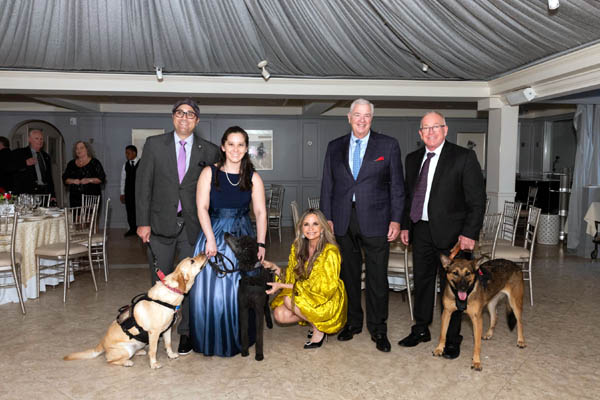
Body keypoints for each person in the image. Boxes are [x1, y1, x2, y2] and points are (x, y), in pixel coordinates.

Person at [397, 111, 486, 360]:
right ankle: (421, 329)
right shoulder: (412, 159)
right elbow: (409, 197)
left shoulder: (464, 157)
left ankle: (453, 340)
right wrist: (406, 225)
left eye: (436, 127)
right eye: (425, 128)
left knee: (458, 286)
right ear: (420, 134)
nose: (431, 132)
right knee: (422, 283)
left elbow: (477, 200)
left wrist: (469, 233)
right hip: (421, 230)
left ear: (445, 130)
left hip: (455, 236)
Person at [136, 98, 220, 355]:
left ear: (197, 120)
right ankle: (156, 329)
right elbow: (142, 186)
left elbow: (213, 193)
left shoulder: (210, 151)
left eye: (190, 114)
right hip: (159, 226)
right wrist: (142, 223)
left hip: (192, 227)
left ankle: (185, 333)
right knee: (160, 281)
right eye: (180, 113)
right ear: (173, 117)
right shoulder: (153, 145)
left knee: (189, 284)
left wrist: (211, 229)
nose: (185, 118)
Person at [320, 98, 405, 353]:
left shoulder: (388, 145)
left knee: (378, 279)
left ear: (372, 118)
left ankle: (379, 329)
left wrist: (397, 219)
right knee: (349, 276)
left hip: (378, 221)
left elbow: (397, 187)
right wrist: (327, 218)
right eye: (357, 115)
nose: (361, 119)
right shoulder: (334, 147)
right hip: (343, 220)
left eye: (366, 115)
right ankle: (352, 323)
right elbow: (327, 185)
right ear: (349, 117)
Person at [189, 126, 267, 357]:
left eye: (240, 144)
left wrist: (261, 244)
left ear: (246, 148)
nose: (235, 149)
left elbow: (261, 213)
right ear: (223, 147)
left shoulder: (253, 177)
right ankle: (212, 339)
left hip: (243, 236)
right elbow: (201, 207)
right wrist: (211, 239)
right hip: (214, 233)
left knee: (242, 290)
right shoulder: (209, 173)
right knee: (214, 292)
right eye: (230, 144)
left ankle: (241, 338)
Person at [265, 209, 347, 349]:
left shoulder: (330, 251)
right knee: (280, 314)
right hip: (307, 295)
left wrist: (282, 287)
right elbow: (292, 277)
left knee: (288, 299)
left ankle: (319, 329)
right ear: (301, 228)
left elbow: (321, 288)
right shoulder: (298, 247)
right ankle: (314, 322)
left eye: (315, 224)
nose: (310, 229)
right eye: (306, 224)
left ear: (322, 228)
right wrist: (274, 267)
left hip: (327, 297)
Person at [11, 129, 55, 199]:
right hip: (27, 194)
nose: (40, 141)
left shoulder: (46, 156)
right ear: (29, 139)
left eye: (41, 139)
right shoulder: (19, 153)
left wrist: (53, 195)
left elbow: (49, 177)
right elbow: (10, 168)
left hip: (44, 194)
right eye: (37, 138)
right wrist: (25, 163)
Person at [62, 141, 106, 207]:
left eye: (81, 148)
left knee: (89, 217)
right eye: (77, 148)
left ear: (87, 149)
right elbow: (65, 179)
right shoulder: (71, 164)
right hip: (75, 198)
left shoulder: (95, 162)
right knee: (76, 217)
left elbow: (102, 178)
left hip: (91, 198)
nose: (78, 150)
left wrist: (89, 180)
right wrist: (73, 181)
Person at [120, 145, 139, 236]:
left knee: (138, 210)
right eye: (126, 153)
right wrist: (122, 193)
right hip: (128, 192)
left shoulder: (142, 163)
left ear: (134, 153)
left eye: (128, 153)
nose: (126, 155)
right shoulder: (125, 165)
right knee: (130, 211)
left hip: (139, 193)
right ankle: (132, 229)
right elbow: (123, 179)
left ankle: (140, 229)